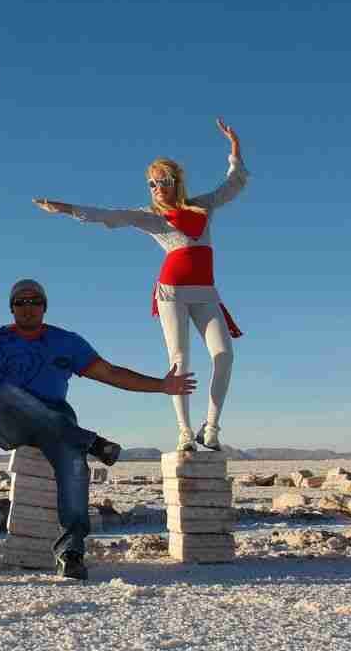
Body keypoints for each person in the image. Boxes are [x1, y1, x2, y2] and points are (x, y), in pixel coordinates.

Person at [0, 279, 197, 580]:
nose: (28, 307)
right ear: (11, 308)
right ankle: (90, 441)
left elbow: (111, 373)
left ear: (45, 306)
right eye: (20, 302)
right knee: (5, 390)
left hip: (56, 424)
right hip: (11, 421)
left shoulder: (66, 342)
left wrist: (161, 386)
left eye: (35, 301)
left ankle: (71, 553)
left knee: (74, 463)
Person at [33, 118, 248, 452]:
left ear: (175, 181)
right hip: (171, 292)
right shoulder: (151, 215)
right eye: (150, 183)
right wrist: (65, 208)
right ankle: (184, 432)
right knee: (180, 361)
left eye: (161, 180)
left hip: (206, 292)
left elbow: (232, 185)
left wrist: (234, 149)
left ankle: (212, 427)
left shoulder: (202, 207)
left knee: (224, 355)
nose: (156, 187)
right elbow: (110, 215)